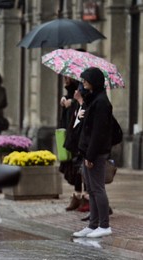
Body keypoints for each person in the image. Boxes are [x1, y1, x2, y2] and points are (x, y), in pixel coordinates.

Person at [72, 67, 114, 238]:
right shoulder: (92, 99)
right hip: (87, 151)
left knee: (97, 189)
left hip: (95, 153)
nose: (82, 82)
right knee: (91, 188)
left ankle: (104, 225)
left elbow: (98, 132)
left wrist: (91, 155)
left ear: (93, 81)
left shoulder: (102, 102)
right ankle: (93, 224)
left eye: (85, 80)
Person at [61, 82, 89, 211]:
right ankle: (78, 195)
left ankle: (89, 199)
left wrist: (76, 101)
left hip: (85, 137)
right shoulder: (75, 89)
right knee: (76, 165)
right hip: (75, 132)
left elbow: (87, 108)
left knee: (85, 168)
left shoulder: (94, 94)